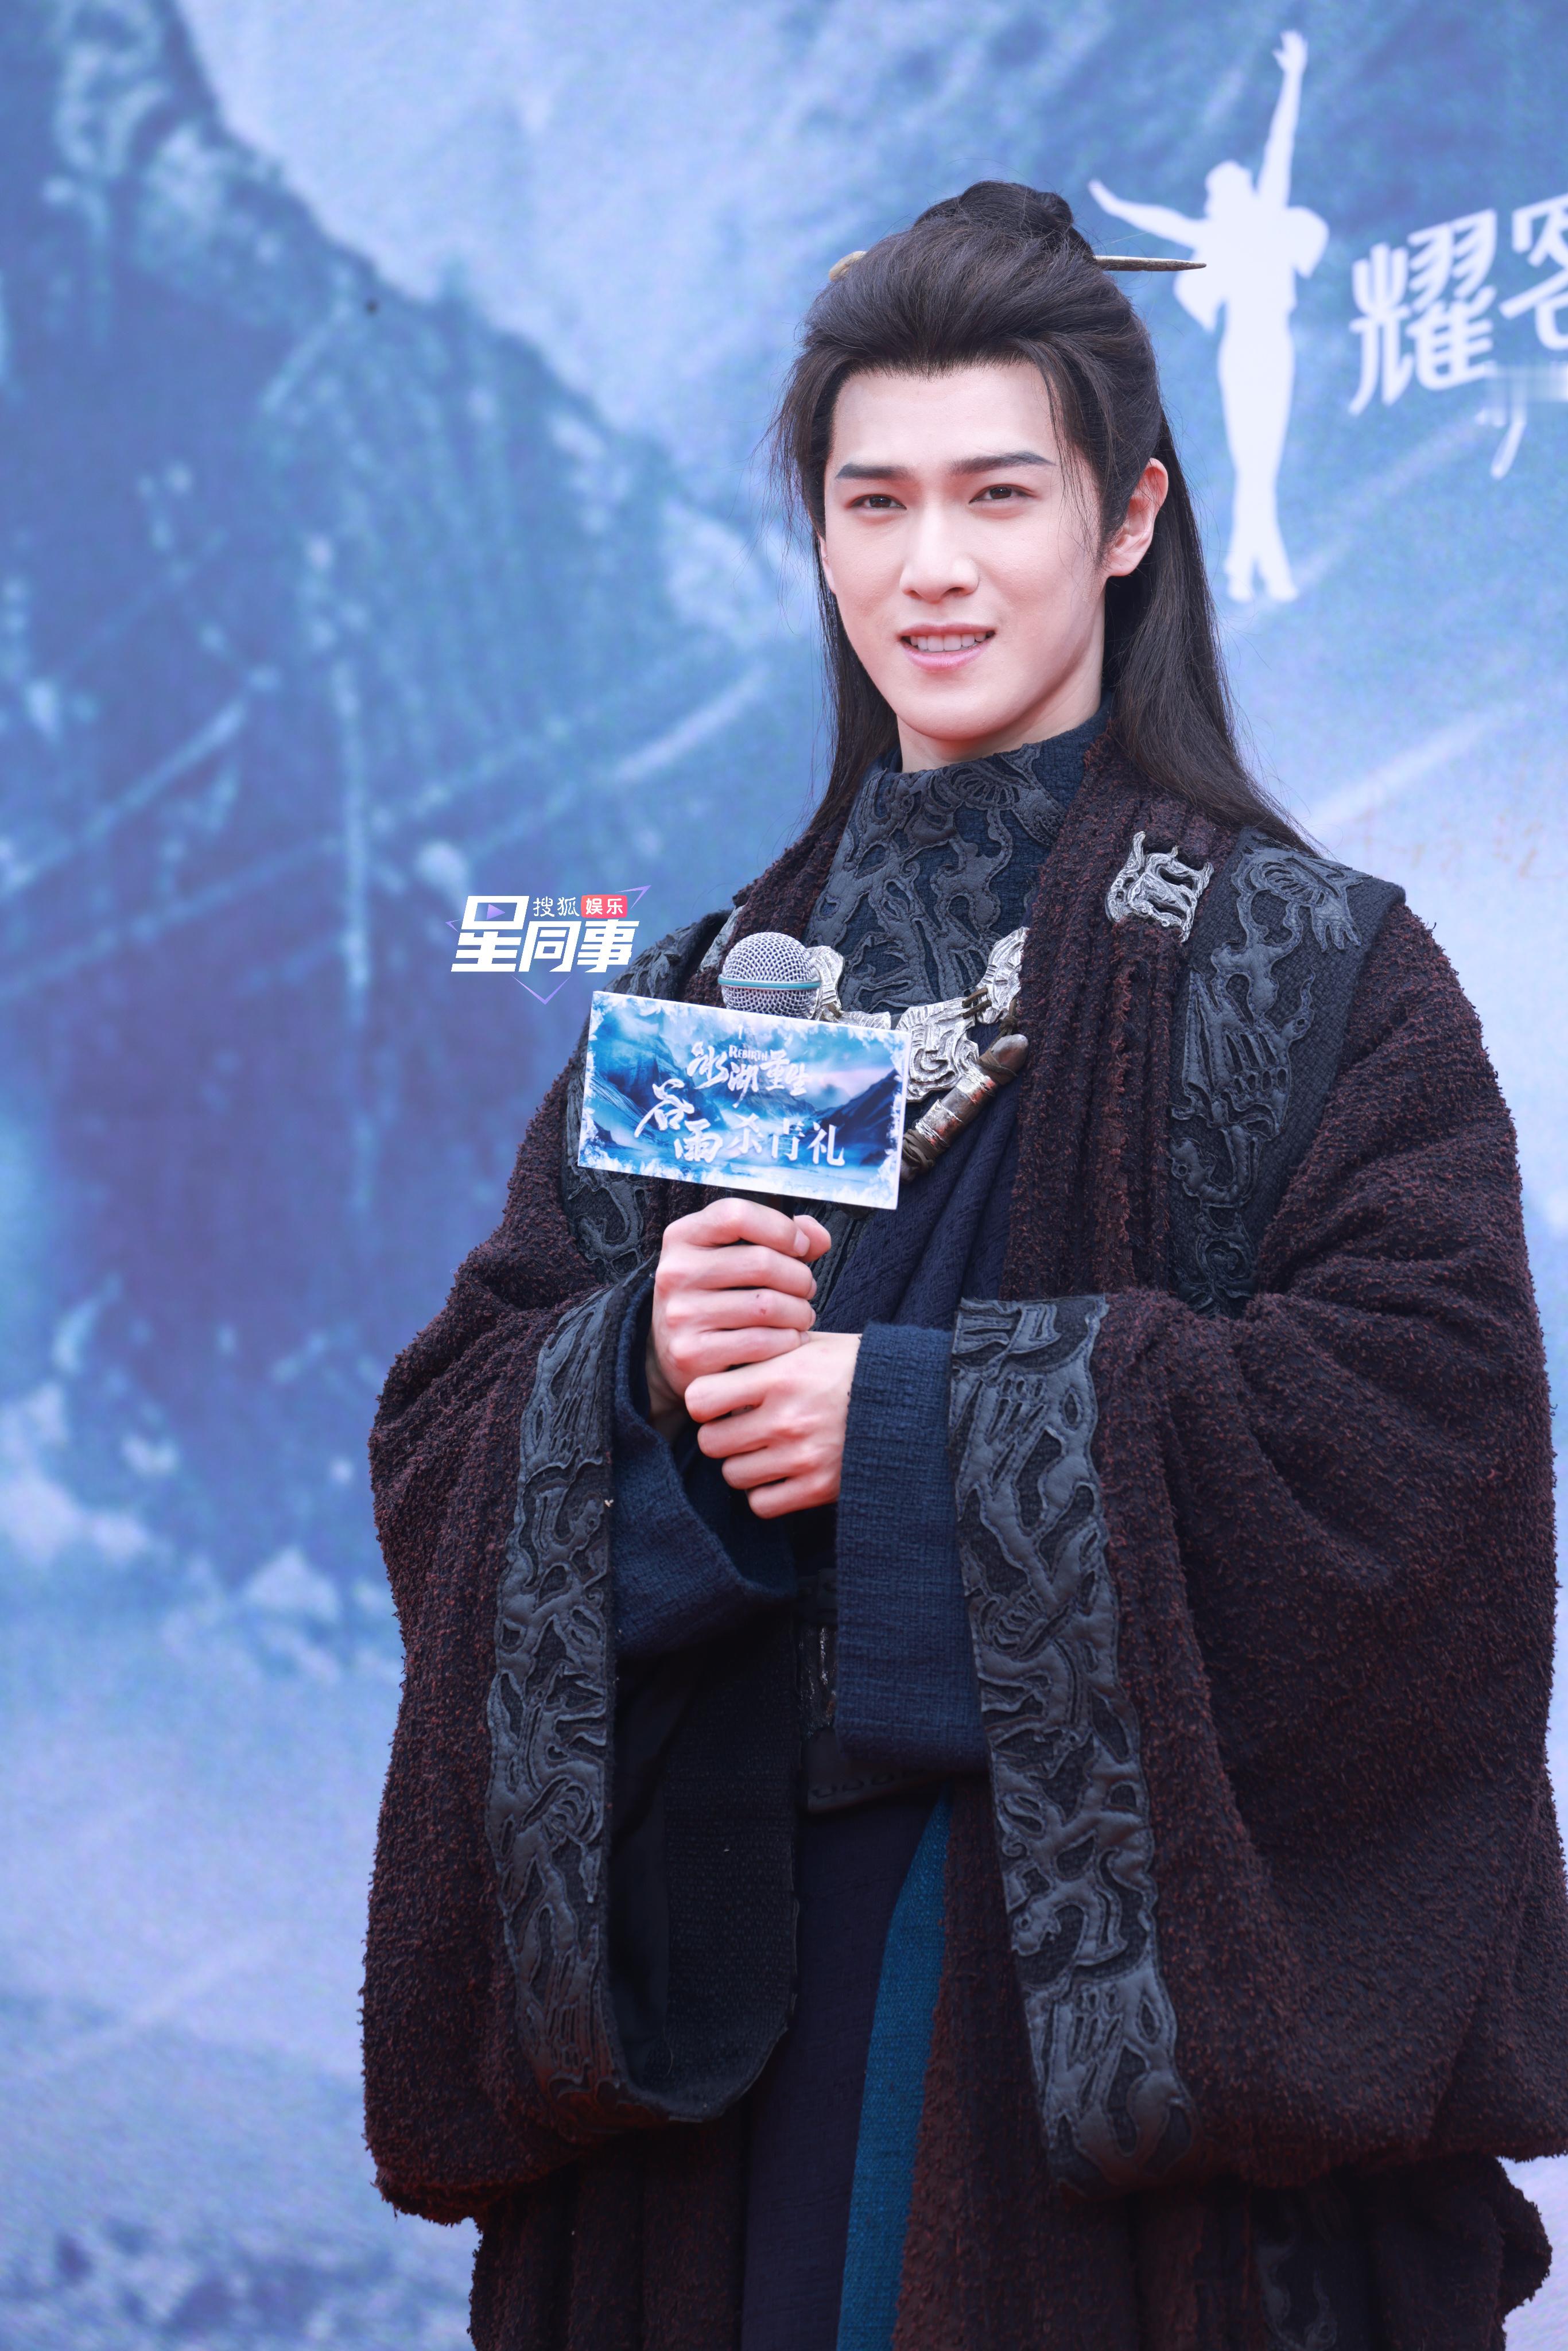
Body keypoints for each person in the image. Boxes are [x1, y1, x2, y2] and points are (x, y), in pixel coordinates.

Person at [362, 183, 1568, 2350]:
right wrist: (633, 1374)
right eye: (875, 500)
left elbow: (1427, 1454)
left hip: (1077, 2050)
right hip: (718, 2012)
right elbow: (448, 1430)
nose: (932, 566)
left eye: (997, 493)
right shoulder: (715, 991)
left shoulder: (1306, 971)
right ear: (820, 540)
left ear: (1126, 519)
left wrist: (916, 1432)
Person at [1090, 30, 1328, 604]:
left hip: (1274, 346)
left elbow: (1280, 146)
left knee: (1263, 461)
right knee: (1250, 460)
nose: (1230, 195)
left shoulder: (1265, 218)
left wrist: (1294, 78)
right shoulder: (1216, 236)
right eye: (1222, 190)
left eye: (1234, 186)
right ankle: (1258, 567)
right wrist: (1116, 206)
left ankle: (1249, 564)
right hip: (1241, 351)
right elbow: (1162, 222)